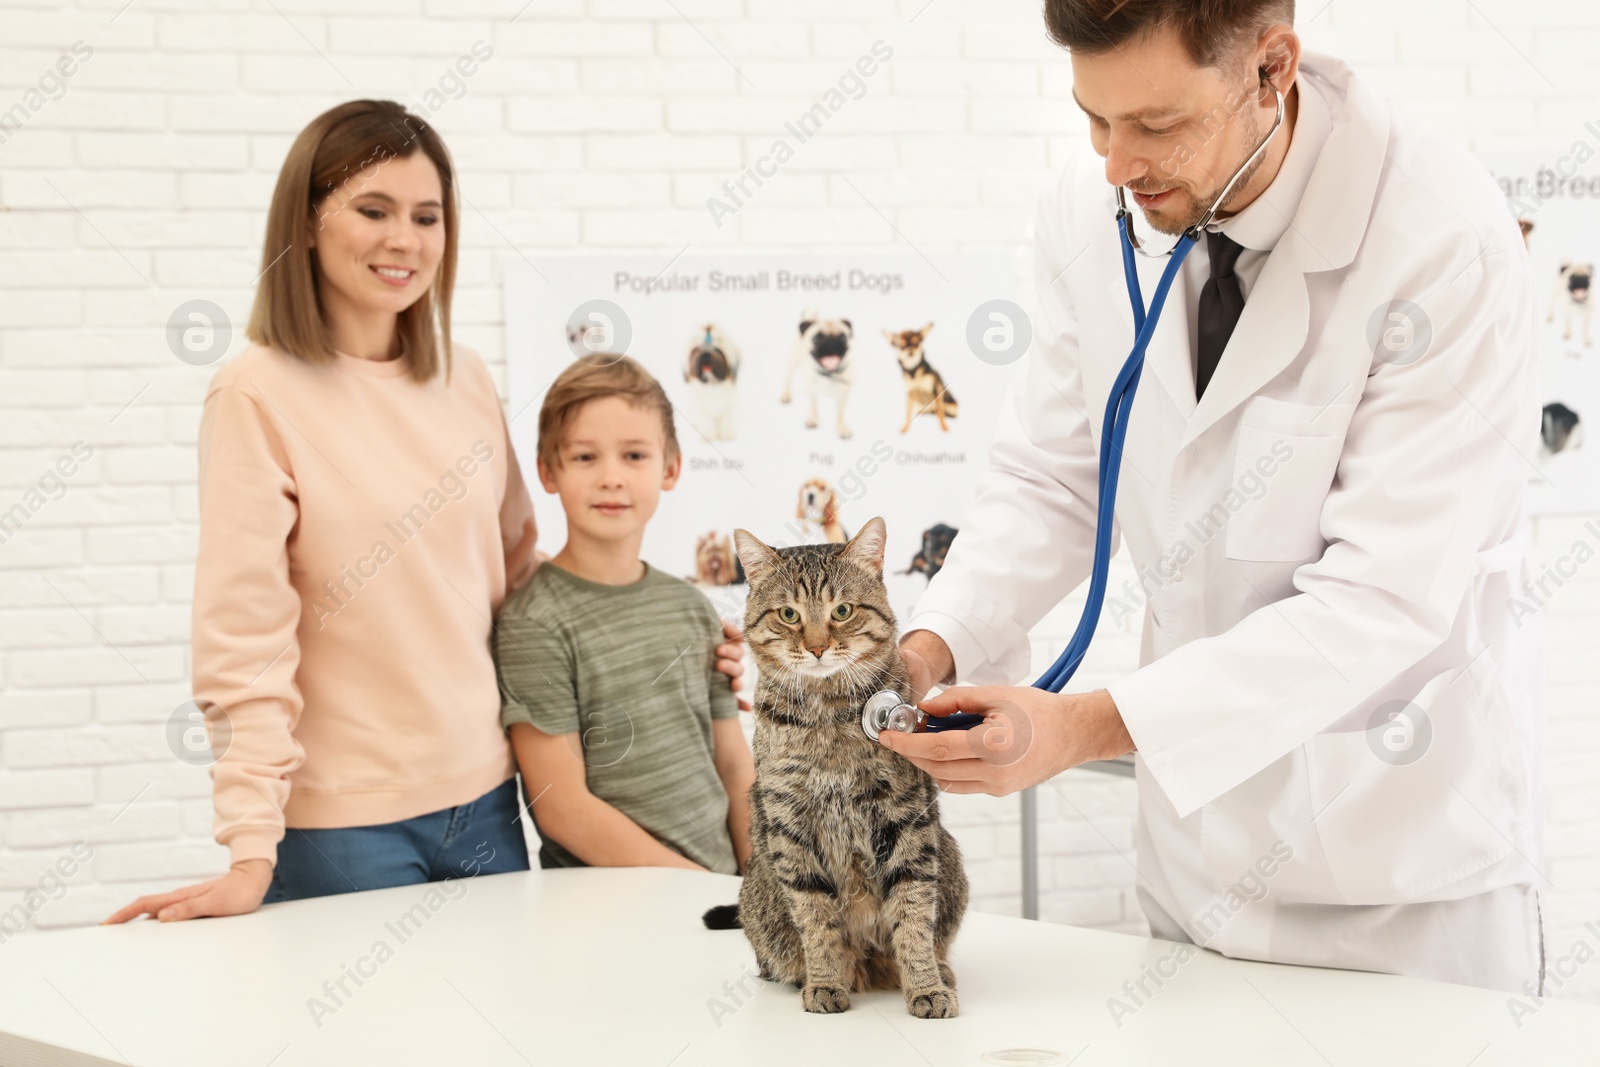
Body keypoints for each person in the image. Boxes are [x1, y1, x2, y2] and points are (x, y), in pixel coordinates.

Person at [887, 1, 1545, 996]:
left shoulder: (1439, 238)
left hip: (1396, 879)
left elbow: (1379, 600)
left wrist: (1082, 727)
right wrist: (932, 640)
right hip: (1192, 866)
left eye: (1155, 124)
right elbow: (1051, 475)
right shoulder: (1097, 203)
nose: (1117, 162)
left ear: (1272, 66)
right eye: (1093, 119)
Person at [103, 101, 748, 924]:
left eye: (427, 216)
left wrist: (671, 646)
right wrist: (248, 847)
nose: (404, 240)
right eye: (372, 211)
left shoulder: (464, 376)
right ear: (306, 221)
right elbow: (244, 639)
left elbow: (523, 582)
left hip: (488, 803)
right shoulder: (254, 392)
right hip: (343, 828)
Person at [495, 355, 755, 875]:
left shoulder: (691, 608)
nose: (611, 478)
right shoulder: (534, 622)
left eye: (634, 455)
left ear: (671, 468)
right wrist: (701, 890)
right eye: (586, 457)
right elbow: (564, 810)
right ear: (548, 470)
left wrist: (763, 886)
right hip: (611, 914)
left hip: (727, 900)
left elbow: (734, 766)